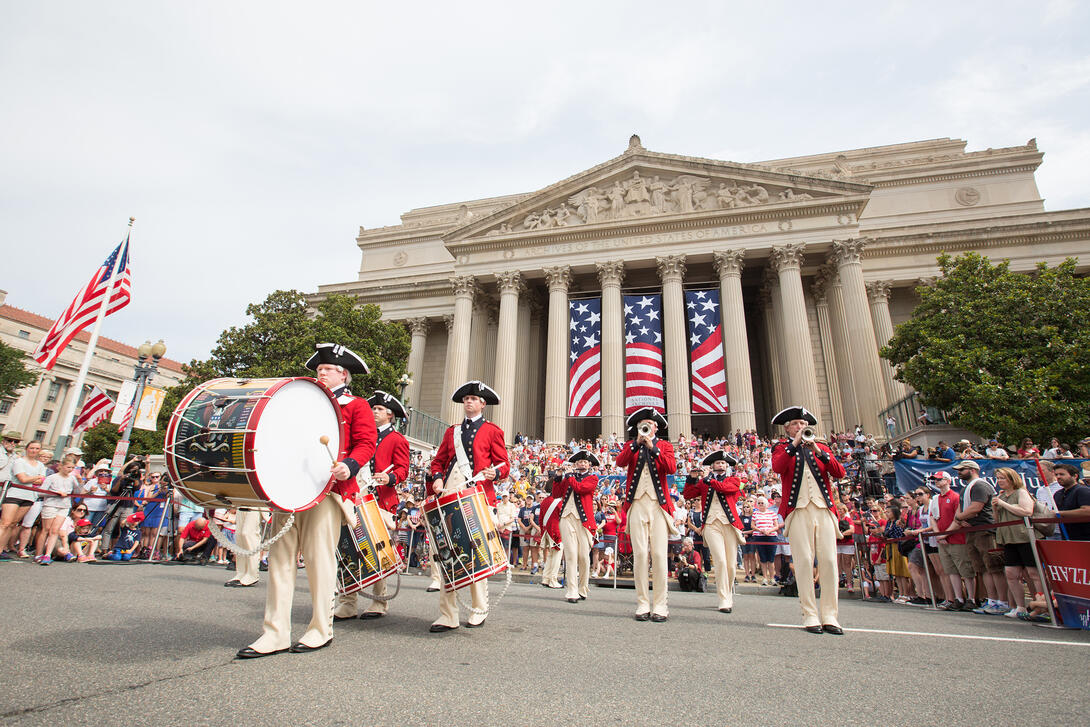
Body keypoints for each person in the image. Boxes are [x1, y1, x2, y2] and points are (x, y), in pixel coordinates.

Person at [238, 343, 377, 659]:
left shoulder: (356, 405)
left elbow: (367, 443)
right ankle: (275, 633)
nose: (320, 372)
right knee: (280, 559)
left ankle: (320, 628)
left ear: (343, 374)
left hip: (327, 490)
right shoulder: (302, 402)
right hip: (289, 488)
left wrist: (350, 465)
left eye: (327, 369)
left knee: (319, 560)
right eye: (319, 369)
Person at [427, 380, 509, 632]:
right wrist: (438, 478)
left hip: (478, 495)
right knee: (445, 552)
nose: (469, 402)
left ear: (483, 404)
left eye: (473, 399)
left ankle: (478, 608)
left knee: (475, 550)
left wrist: (494, 474)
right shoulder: (451, 431)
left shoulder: (492, 431)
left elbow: (503, 464)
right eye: (466, 399)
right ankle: (447, 614)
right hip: (450, 492)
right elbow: (438, 462)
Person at [769, 406, 847, 635]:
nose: (800, 427)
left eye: (802, 424)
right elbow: (778, 467)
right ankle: (810, 614)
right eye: (795, 424)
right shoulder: (783, 448)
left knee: (829, 562)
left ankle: (830, 615)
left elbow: (839, 472)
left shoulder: (821, 447)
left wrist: (820, 451)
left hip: (823, 509)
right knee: (803, 562)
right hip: (798, 510)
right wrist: (794, 444)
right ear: (787, 429)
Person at [334, 390, 410, 620]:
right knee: (347, 549)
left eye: (378, 409)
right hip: (355, 495)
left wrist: (391, 478)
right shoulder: (361, 433)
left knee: (377, 552)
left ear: (389, 415)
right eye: (372, 408)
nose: (373, 412)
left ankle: (379, 601)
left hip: (380, 500)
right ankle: (348, 602)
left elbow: (403, 469)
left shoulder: (397, 439)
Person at [616, 408, 676, 622]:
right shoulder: (631, 446)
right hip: (637, 504)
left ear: (656, 427)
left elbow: (671, 468)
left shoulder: (665, 446)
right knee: (640, 555)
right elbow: (620, 462)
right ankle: (642, 603)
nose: (646, 427)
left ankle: (660, 605)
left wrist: (653, 448)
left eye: (649, 424)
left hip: (658, 505)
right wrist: (636, 443)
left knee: (659, 555)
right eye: (643, 425)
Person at [682, 450, 743, 613]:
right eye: (717, 463)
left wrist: (709, 480)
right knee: (721, 561)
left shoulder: (734, 480)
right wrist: (692, 478)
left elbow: (726, 489)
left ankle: (728, 593)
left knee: (731, 564)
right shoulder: (704, 482)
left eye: (723, 463)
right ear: (713, 466)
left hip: (729, 523)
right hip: (710, 524)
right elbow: (688, 494)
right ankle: (723, 598)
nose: (721, 465)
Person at [951, 460, 1009, 615]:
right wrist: (960, 519)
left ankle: (1002, 601)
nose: (959, 472)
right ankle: (991, 600)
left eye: (962, 469)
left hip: (985, 530)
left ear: (972, 469)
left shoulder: (980, 485)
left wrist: (959, 518)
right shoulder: (965, 489)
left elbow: (976, 507)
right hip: (971, 530)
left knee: (994, 567)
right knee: (982, 568)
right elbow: (961, 510)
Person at [991, 467, 1042, 618]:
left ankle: (1040, 604)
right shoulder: (1001, 495)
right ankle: (1020, 607)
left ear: (1012, 479)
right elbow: (997, 519)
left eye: (1003, 478)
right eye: (998, 478)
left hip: (1024, 536)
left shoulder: (1021, 492)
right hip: (1008, 538)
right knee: (1011, 573)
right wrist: (995, 507)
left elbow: (1027, 511)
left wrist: (1003, 503)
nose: (1000, 481)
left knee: (1033, 573)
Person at [552, 450, 598, 604]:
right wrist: (558, 477)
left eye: (584, 462)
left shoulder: (592, 478)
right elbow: (556, 494)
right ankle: (572, 590)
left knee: (584, 556)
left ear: (589, 465)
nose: (581, 464)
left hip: (584, 521)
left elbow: (580, 489)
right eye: (579, 462)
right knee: (571, 554)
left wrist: (570, 476)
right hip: (566, 517)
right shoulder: (568, 477)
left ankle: (583, 587)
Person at [932, 471, 975, 611]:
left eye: (939, 479)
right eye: (935, 480)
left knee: (965, 569)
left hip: (957, 538)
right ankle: (958, 598)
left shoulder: (956, 497)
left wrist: (945, 534)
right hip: (943, 540)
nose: (936, 482)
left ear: (947, 480)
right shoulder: (936, 499)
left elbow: (958, 518)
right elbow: (933, 518)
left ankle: (972, 598)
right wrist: (939, 535)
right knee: (951, 570)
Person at [0, 439, 46, 559]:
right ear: (27, 449)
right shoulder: (19, 461)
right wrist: (35, 477)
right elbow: (22, 479)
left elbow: (41, 480)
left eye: (37, 448)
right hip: (14, 494)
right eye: (32, 448)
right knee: (5, 523)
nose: (34, 451)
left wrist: (32, 478)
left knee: (13, 524)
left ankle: (1, 549)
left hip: (29, 496)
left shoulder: (40, 465)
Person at [36, 454, 79, 565]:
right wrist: (56, 493)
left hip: (64, 506)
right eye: (68, 467)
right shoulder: (52, 477)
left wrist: (79, 482)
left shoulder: (72, 478)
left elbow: (78, 492)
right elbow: (40, 492)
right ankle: (38, 554)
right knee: (46, 529)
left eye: (72, 468)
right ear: (62, 466)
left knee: (55, 530)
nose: (70, 470)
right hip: (50, 504)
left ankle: (47, 554)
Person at [1052, 463, 1090, 541]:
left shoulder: (1082, 490)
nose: (1058, 477)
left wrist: (1059, 513)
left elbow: (1087, 511)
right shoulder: (1057, 494)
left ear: (1075, 476)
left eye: (1062, 474)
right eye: (1056, 474)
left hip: (1085, 538)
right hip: (1067, 538)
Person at [537, 490, 563, 589]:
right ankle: (553, 579)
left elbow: (541, 518)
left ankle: (546, 578)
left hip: (547, 530)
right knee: (556, 555)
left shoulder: (545, 501)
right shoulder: (559, 502)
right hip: (556, 531)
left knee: (550, 555)